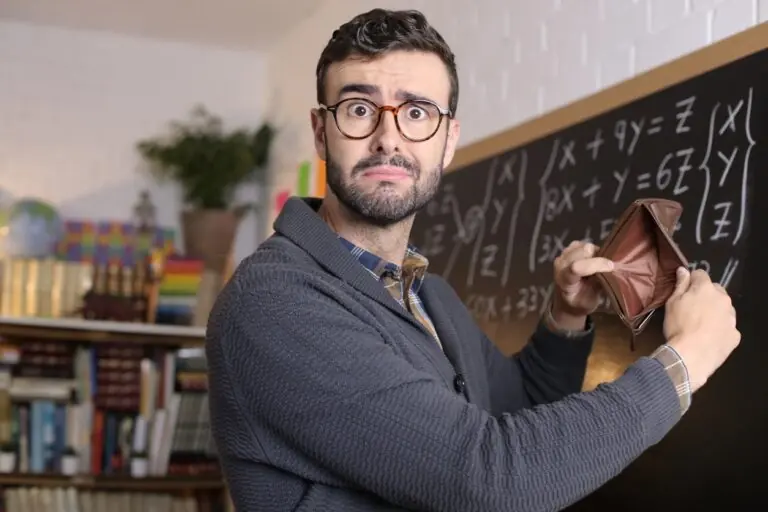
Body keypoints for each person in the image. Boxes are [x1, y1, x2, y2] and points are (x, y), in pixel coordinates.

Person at [205, 8, 740, 512]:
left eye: (417, 112)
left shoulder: (423, 294)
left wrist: (566, 315)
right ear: (322, 132)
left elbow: (520, 409)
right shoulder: (275, 303)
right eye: (359, 109)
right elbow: (489, 478)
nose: (387, 137)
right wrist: (685, 361)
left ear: (448, 141)